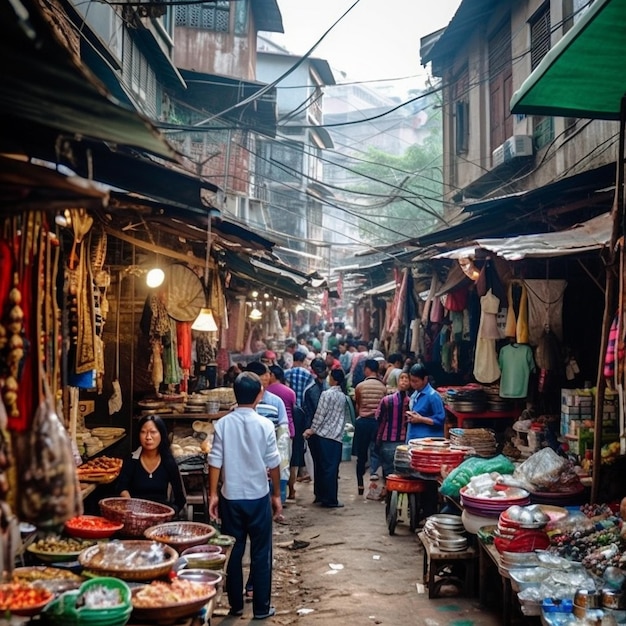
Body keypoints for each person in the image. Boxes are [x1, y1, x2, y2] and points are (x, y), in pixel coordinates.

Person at [208, 372, 282, 620]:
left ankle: (236, 605)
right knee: (261, 552)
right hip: (258, 496)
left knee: (235, 552)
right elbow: (273, 463)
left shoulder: (223, 424)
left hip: (231, 497)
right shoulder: (265, 425)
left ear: (234, 394)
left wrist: (213, 494)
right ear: (259, 395)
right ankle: (261, 607)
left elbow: (215, 461)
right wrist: (277, 495)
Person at [117, 414, 186, 516]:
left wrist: (168, 515)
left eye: (153, 432)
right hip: (135, 514)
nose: (148, 437)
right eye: (143, 432)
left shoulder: (168, 462)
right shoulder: (132, 460)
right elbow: (121, 487)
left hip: (160, 516)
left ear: (161, 434)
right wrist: (130, 505)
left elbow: (180, 499)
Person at [303, 368, 349, 508]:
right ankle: (330, 498)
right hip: (335, 437)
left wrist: (312, 429)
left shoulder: (326, 394)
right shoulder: (343, 396)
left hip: (323, 435)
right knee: (331, 469)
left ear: (333, 379)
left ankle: (323, 496)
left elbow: (319, 414)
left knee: (323, 467)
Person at [405, 363, 446, 518]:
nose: (413, 384)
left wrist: (420, 419)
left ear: (425, 379)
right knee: (417, 479)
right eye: (412, 380)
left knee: (428, 482)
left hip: (428, 445)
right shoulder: (415, 394)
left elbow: (440, 419)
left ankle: (429, 514)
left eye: (416, 381)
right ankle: (420, 512)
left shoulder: (432, 396)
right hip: (415, 441)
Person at [353, 359, 387, 494]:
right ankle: (376, 478)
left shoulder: (360, 386)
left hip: (363, 422)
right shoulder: (383, 387)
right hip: (377, 423)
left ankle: (360, 485)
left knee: (361, 455)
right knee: (377, 451)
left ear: (367, 369)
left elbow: (358, 404)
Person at [302, 357, 329, 504]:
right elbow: (310, 413)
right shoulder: (311, 389)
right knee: (319, 463)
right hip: (315, 431)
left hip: (323, 431)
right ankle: (319, 494)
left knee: (322, 463)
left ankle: (321, 494)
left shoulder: (325, 386)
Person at [375, 371, 410, 479]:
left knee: (388, 474)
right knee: (402, 475)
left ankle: (389, 494)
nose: (404, 381)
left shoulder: (387, 400)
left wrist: (377, 440)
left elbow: (379, 418)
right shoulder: (411, 402)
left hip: (388, 441)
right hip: (404, 442)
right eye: (402, 378)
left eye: (406, 378)